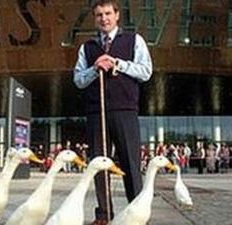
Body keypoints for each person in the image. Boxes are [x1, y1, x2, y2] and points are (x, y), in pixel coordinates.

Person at [73, 0, 152, 223]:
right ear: (95, 18)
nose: (104, 18)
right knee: (99, 165)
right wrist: (95, 67)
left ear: (117, 15)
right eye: (99, 15)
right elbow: (78, 79)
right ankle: (104, 214)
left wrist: (117, 62)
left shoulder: (134, 40)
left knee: (130, 164)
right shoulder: (87, 48)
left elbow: (146, 71)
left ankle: (137, 214)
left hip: (125, 110)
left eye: (108, 14)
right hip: (96, 112)